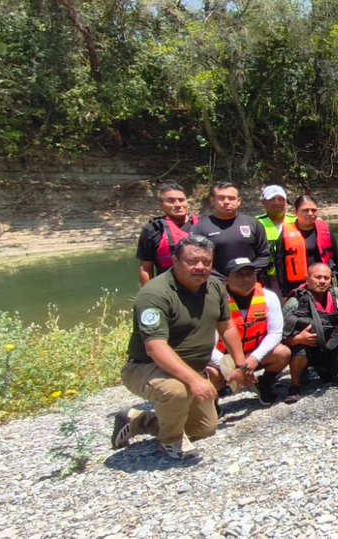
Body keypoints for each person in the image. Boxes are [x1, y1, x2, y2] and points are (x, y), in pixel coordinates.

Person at [111, 235, 249, 460]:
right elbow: (155, 348)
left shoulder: (214, 286)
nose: (200, 267)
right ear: (175, 260)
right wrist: (195, 380)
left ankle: (137, 420)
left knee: (204, 429)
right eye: (192, 261)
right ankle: (170, 441)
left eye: (206, 262)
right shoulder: (155, 294)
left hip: (193, 367)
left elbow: (227, 327)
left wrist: (241, 365)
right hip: (146, 367)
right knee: (177, 390)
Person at [209, 257, 292, 405]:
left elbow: (275, 333)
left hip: (254, 353)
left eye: (250, 274)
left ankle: (263, 384)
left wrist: (254, 359)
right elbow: (205, 344)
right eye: (239, 275)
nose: (246, 279)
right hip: (225, 357)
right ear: (227, 279)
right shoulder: (214, 302)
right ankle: (213, 402)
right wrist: (230, 367)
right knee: (211, 373)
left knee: (283, 353)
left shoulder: (269, 297)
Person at [281, 263, 338, 403]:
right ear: (307, 279)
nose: (322, 281)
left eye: (326, 278)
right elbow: (278, 337)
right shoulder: (294, 302)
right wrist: (298, 339)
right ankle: (295, 386)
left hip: (329, 346)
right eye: (317, 277)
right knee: (300, 352)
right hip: (304, 347)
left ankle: (323, 368)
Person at [193, 182, 270, 280]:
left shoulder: (253, 224)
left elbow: (264, 255)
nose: (226, 202)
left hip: (249, 281)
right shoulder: (200, 228)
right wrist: (221, 279)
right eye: (221, 198)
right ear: (212, 201)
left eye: (231, 198)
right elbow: (196, 258)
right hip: (216, 283)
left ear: (239, 201)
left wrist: (249, 274)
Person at [136, 182, 199, 285]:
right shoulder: (152, 230)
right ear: (161, 205)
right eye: (171, 201)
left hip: (203, 285)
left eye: (181, 200)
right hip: (168, 288)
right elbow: (146, 268)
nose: (178, 205)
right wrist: (147, 292)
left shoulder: (203, 225)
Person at [278, 194, 338, 292]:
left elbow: (336, 259)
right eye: (305, 210)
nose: (310, 213)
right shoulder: (285, 232)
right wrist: (284, 290)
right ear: (295, 212)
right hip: (296, 286)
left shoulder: (325, 230)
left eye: (314, 210)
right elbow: (279, 263)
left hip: (323, 284)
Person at [256, 185, 297, 292]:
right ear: (264, 203)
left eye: (281, 199)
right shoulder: (255, 224)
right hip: (268, 279)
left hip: (295, 277)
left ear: (286, 202)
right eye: (272, 199)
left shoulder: (298, 221)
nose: (277, 202)